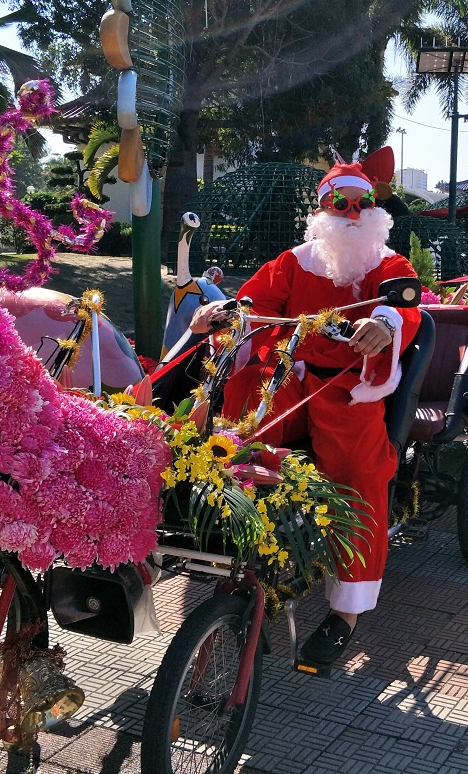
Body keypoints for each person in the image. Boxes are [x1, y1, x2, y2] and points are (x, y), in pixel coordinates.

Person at [190, 146, 420, 668]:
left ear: (376, 209)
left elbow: (403, 308)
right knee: (241, 419)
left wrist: (385, 326)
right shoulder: (293, 261)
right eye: (340, 202)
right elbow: (254, 305)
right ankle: (240, 547)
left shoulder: (391, 264)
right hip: (290, 378)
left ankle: (347, 613)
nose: (352, 212)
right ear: (323, 208)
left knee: (360, 468)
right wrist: (224, 312)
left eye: (362, 202)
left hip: (347, 386)